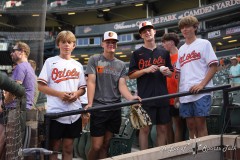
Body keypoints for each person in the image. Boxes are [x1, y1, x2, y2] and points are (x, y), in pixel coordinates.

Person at [85, 31, 141, 160]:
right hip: (99, 109)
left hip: (115, 109)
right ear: (102, 44)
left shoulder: (120, 64)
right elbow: (91, 82)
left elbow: (122, 85)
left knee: (106, 145)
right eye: (108, 42)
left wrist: (131, 98)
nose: (111, 44)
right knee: (97, 146)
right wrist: (90, 103)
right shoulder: (95, 59)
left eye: (114, 42)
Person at [37, 30, 86, 160]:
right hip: (56, 112)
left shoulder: (78, 65)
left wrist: (76, 94)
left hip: (74, 112)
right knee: (54, 148)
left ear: (74, 45)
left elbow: (82, 88)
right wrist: (59, 94)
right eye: (63, 42)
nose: (66, 45)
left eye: (69, 42)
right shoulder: (50, 62)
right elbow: (41, 86)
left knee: (68, 148)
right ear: (58, 44)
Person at [128, 21, 173, 150]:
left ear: (154, 32)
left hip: (162, 95)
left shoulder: (163, 52)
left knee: (163, 128)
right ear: (141, 35)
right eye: (144, 31)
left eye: (149, 30)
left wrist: (167, 72)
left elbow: (171, 74)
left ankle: (160, 156)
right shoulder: (137, 54)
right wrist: (145, 70)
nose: (147, 32)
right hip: (145, 97)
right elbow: (131, 75)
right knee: (145, 129)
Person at [176, 16, 218, 139]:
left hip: (201, 91)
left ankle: (203, 153)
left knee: (200, 124)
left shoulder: (204, 43)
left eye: (187, 26)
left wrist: (201, 85)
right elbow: (179, 73)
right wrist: (178, 93)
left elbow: (214, 66)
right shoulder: (181, 49)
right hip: (185, 92)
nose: (184, 29)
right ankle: (193, 152)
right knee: (190, 125)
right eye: (182, 28)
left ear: (195, 27)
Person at [162, 32, 183, 143]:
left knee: (178, 124)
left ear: (172, 42)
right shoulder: (166, 58)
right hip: (167, 95)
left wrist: (178, 95)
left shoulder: (181, 55)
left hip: (178, 94)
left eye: (165, 42)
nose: (163, 45)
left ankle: (178, 151)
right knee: (167, 126)